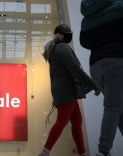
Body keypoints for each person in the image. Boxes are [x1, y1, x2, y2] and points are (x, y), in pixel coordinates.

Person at [80, 0, 123, 156]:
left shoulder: (87, 17)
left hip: (96, 67)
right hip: (117, 62)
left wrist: (100, 40)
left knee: (121, 108)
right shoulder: (119, 7)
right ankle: (103, 151)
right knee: (113, 107)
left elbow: (84, 42)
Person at [38, 24, 100, 156]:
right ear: (59, 33)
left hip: (62, 89)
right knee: (62, 121)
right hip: (67, 89)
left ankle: (82, 153)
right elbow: (75, 69)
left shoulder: (53, 49)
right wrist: (93, 84)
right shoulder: (62, 47)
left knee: (77, 121)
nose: (69, 32)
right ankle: (44, 153)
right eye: (67, 31)